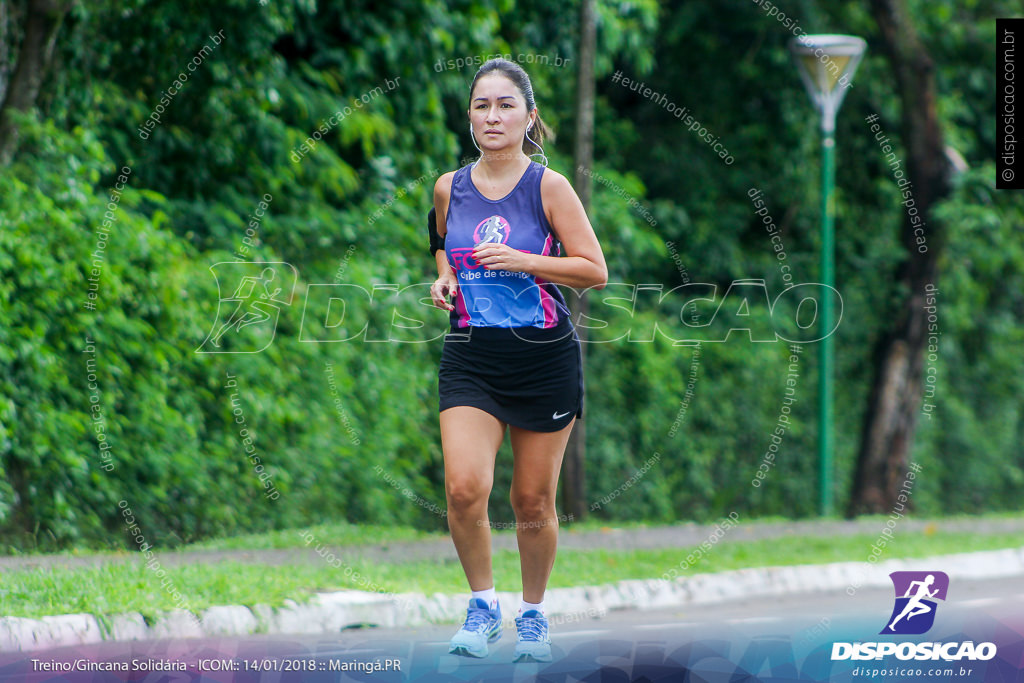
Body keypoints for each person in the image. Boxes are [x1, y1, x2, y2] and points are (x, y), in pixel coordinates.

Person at [428, 58, 607, 663]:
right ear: (469, 117)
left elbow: (593, 270)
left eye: (506, 105)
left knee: (531, 503)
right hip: (472, 355)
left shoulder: (549, 188)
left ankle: (533, 615)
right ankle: (483, 606)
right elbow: (441, 246)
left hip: (543, 358)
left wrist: (526, 261)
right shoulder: (448, 187)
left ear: (529, 117)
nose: (493, 115)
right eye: (482, 105)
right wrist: (445, 279)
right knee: (463, 487)